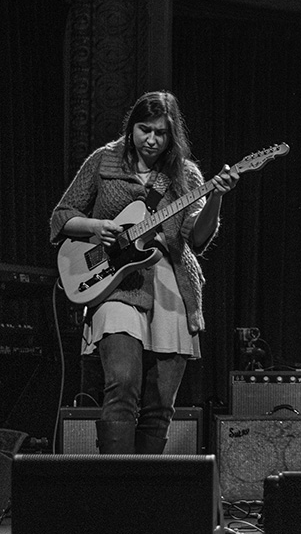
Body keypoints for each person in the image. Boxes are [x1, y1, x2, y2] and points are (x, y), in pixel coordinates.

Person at [50, 91, 239, 454]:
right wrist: (94, 226)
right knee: (122, 384)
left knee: (160, 406)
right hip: (116, 285)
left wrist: (216, 196)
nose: (151, 140)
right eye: (144, 129)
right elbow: (62, 216)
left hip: (171, 288)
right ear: (131, 126)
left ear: (172, 136)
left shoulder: (186, 174)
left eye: (161, 133)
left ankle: (145, 494)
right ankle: (115, 489)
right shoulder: (104, 160)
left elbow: (196, 238)